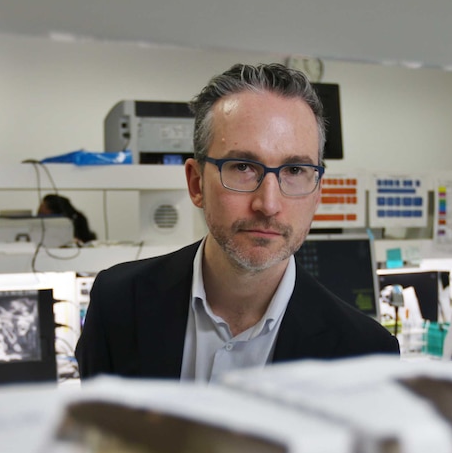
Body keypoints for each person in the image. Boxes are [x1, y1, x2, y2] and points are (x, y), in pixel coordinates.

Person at [76, 63, 398, 382]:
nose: (268, 205)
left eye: (295, 171)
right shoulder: (117, 305)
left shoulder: (367, 354)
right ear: (196, 183)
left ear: (317, 194)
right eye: (243, 167)